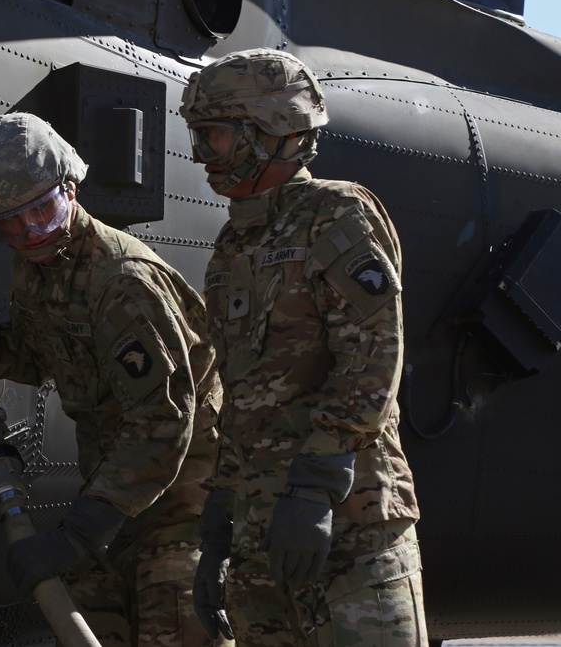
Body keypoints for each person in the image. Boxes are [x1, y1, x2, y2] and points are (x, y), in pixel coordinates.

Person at [0, 112, 230, 647]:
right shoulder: (41, 265)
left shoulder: (121, 283)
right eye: (10, 224)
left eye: (43, 211)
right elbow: (40, 354)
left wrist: (78, 536)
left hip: (184, 500)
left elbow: (164, 422)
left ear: (70, 190)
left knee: (178, 624)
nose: (31, 233)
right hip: (118, 491)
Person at [179, 48, 427, 646]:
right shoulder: (232, 248)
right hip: (262, 537)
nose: (200, 155)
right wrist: (220, 519)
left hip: (348, 533)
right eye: (198, 136)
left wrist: (314, 486)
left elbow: (374, 354)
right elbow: (241, 398)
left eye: (213, 136)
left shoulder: (334, 214)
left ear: (273, 131)